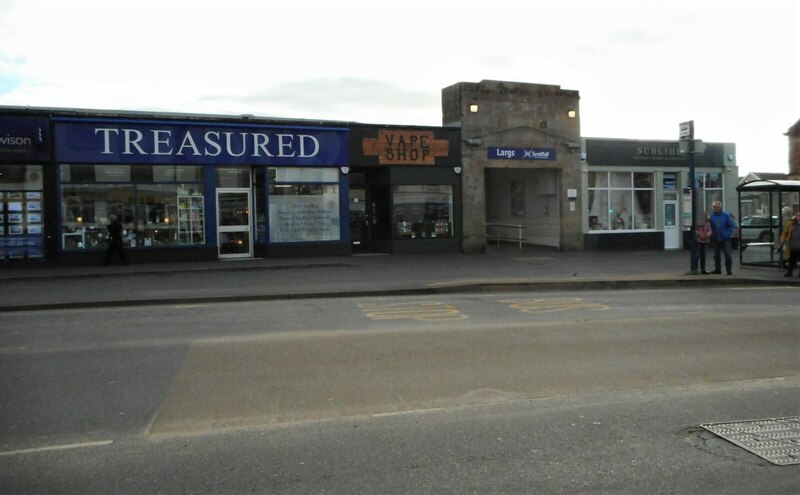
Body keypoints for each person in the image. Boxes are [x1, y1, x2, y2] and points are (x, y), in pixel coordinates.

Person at [708, 201, 736, 275]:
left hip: (725, 239)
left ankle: (729, 270)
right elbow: (709, 226)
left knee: (728, 255)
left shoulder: (725, 216)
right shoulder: (711, 216)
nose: (715, 208)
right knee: (716, 255)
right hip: (716, 238)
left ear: (720, 208)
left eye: (716, 207)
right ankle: (717, 269)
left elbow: (731, 225)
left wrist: (727, 234)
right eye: (714, 207)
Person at [780, 210, 800, 277]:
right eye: (797, 215)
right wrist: (783, 240)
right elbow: (785, 232)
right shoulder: (791, 223)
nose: (798, 217)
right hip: (792, 245)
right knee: (791, 260)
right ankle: (789, 272)